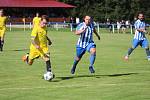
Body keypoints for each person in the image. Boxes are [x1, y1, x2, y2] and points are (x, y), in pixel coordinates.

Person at [22, 15, 54, 79]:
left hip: (44, 47)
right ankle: (28, 56)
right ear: (40, 21)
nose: (44, 25)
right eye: (43, 23)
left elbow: (44, 35)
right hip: (35, 48)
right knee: (30, 63)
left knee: (47, 58)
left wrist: (49, 40)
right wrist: (36, 45)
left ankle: (49, 73)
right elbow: (32, 39)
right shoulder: (36, 28)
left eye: (46, 23)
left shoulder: (45, 28)